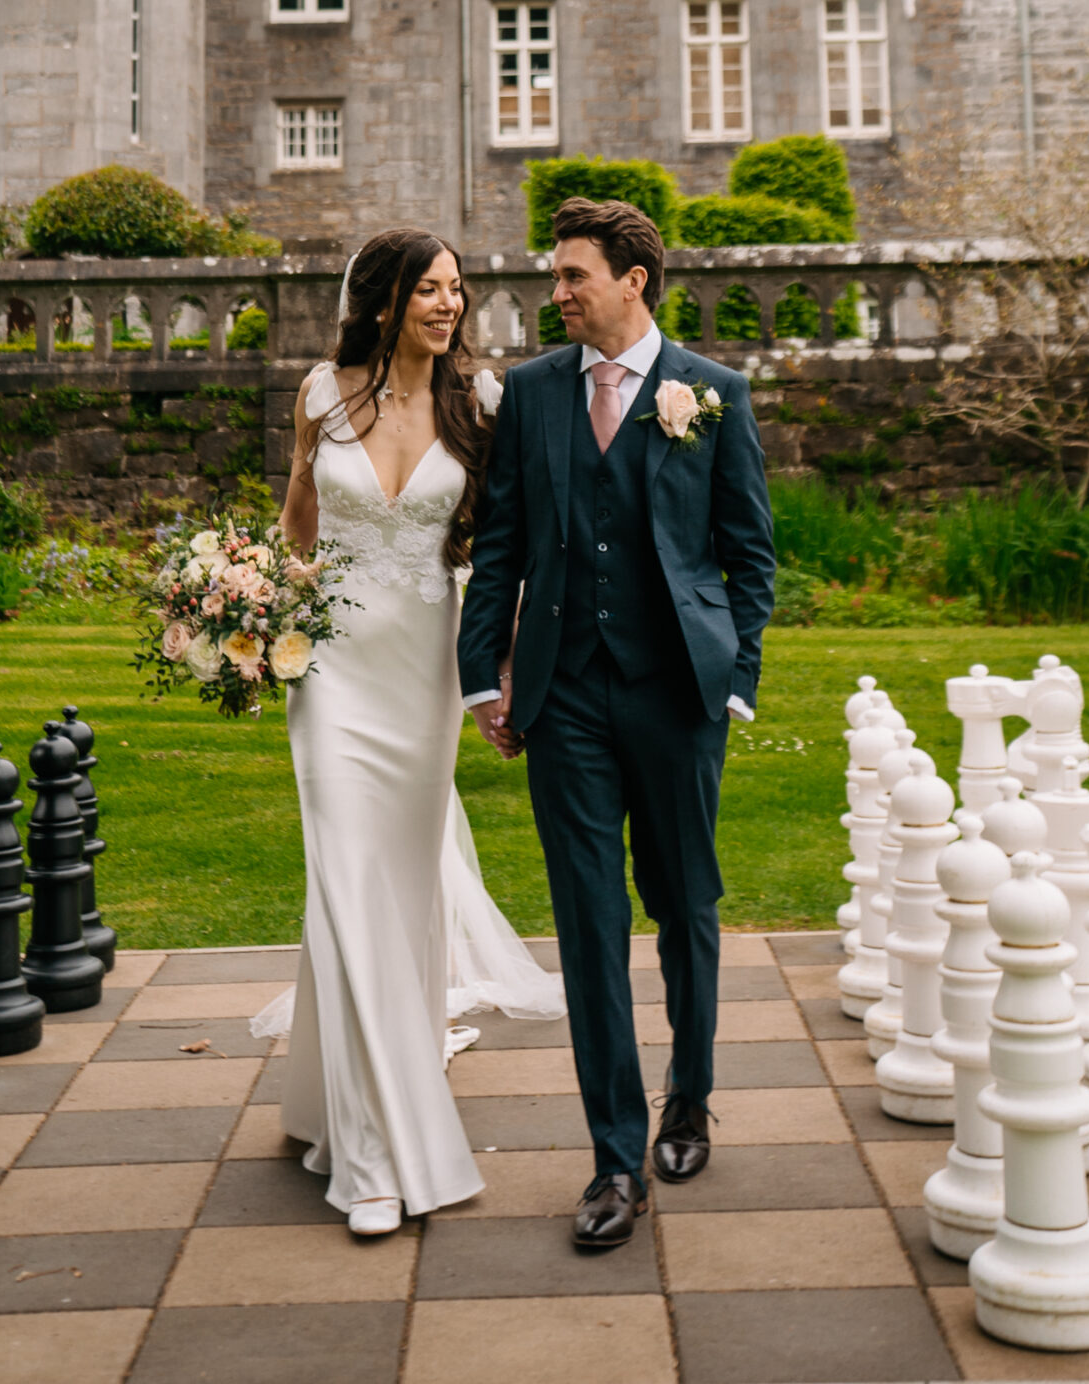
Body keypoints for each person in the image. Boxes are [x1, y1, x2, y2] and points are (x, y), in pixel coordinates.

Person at [459, 196, 778, 1250]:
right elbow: (499, 541)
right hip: (565, 697)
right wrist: (482, 676)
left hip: (680, 691)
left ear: (633, 279)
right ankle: (612, 1156)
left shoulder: (712, 393)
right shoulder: (536, 396)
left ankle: (689, 1095)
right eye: (556, 276)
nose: (555, 293)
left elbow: (749, 556)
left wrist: (736, 680)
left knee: (685, 900)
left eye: (572, 276)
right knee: (589, 922)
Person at [260, 227, 565, 1237]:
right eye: (431, 288)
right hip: (334, 672)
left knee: (396, 893)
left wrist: (507, 664)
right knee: (345, 883)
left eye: (457, 288)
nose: (452, 302)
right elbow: (297, 533)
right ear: (385, 300)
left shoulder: (482, 404)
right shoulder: (321, 393)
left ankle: (328, 1102)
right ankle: (374, 1154)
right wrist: (249, 602)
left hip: (424, 675)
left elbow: (507, 546)